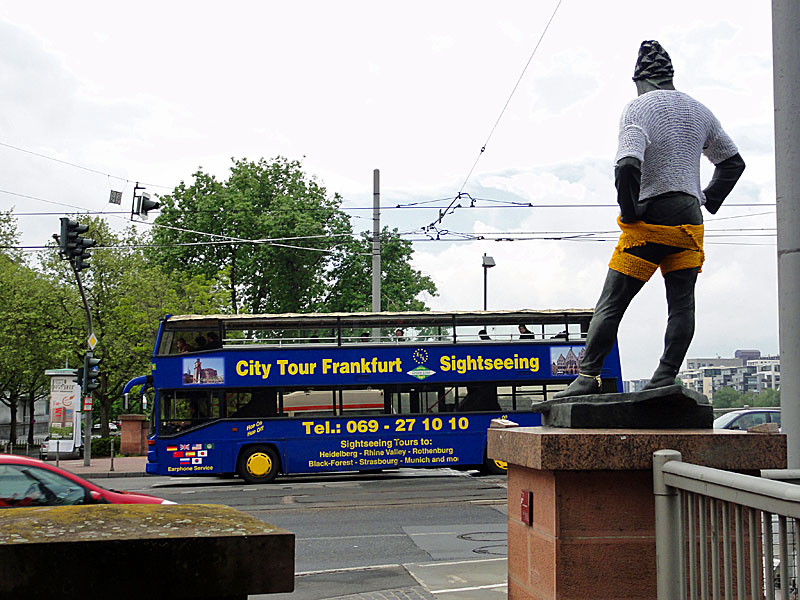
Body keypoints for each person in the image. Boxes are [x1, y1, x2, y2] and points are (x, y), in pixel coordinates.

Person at [555, 41, 745, 398]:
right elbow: (733, 163)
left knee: (612, 301)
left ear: (639, 80)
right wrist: (707, 199)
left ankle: (587, 376)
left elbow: (627, 164)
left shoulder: (639, 108)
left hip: (649, 224)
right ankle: (664, 376)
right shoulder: (700, 110)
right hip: (689, 224)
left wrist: (630, 212)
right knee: (682, 304)